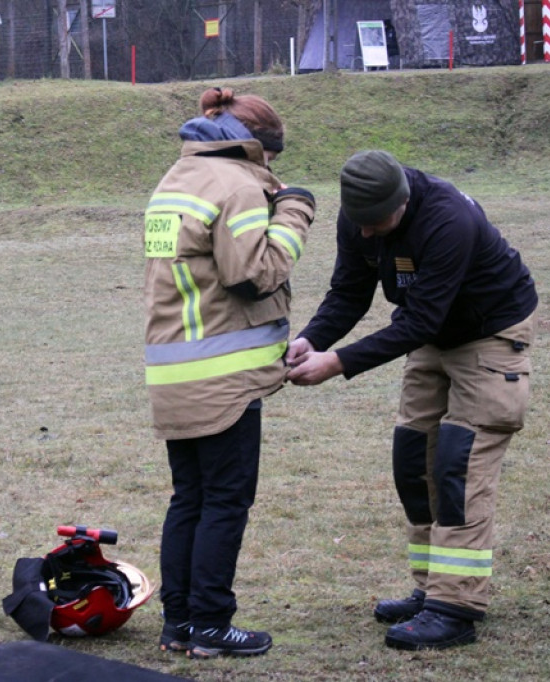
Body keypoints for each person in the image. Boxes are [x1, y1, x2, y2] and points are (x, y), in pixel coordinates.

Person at [287, 150, 537, 650]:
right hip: (432, 333)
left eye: (376, 223)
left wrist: (336, 364)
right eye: (359, 223)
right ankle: (430, 590)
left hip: (488, 332)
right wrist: (312, 340)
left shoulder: (449, 218)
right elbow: (349, 292)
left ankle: (456, 607)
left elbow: (420, 319)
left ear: (402, 202)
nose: (366, 235)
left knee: (458, 463)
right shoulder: (360, 215)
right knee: (413, 457)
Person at [143, 87, 315, 659]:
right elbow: (252, 275)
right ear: (257, 149)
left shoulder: (174, 180)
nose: (274, 170)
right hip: (225, 375)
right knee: (224, 502)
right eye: (273, 159)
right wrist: (293, 213)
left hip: (172, 369)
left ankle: (179, 623)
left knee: (188, 498)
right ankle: (213, 624)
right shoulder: (238, 185)